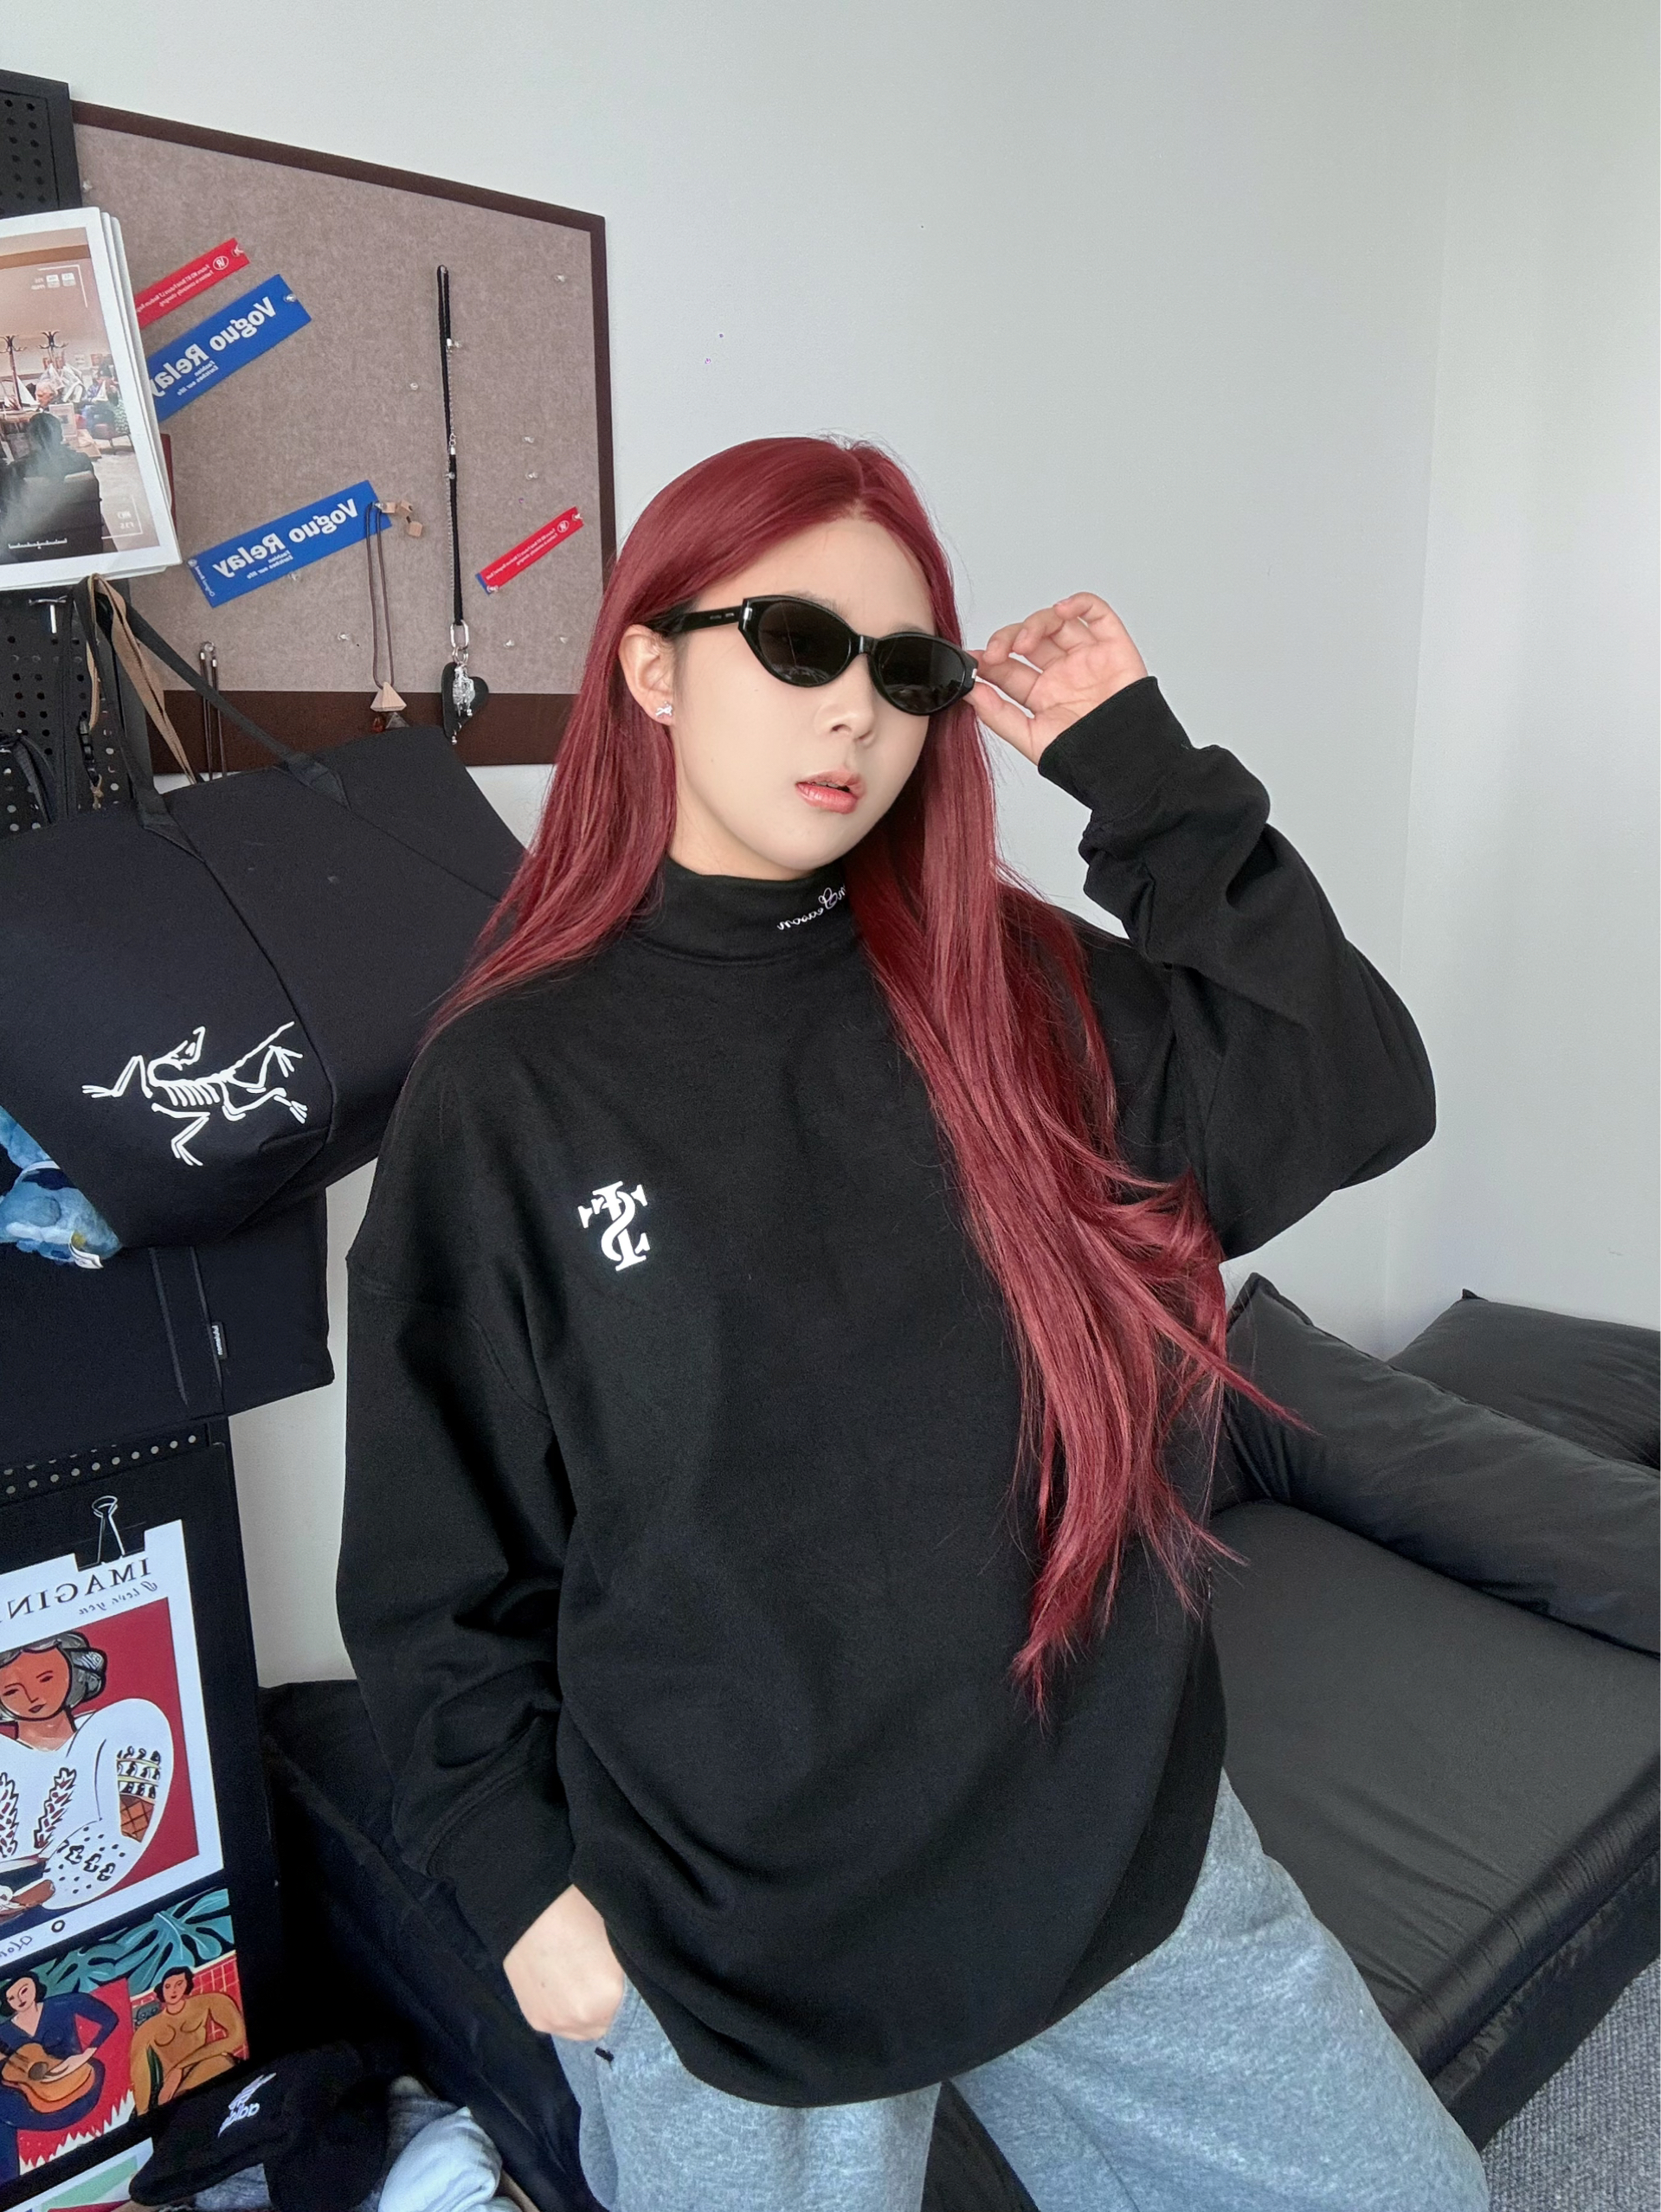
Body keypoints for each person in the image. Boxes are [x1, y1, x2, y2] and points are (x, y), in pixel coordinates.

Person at [339, 436, 1488, 2212]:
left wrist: (1142, 775)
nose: (853, 712)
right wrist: (520, 1891)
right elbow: (438, 1559)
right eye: (796, 643)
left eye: (905, 670)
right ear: (649, 666)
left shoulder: (1016, 993)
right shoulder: (513, 1086)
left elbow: (1348, 1087)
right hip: (732, 1936)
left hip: (1104, 1847)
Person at [0, 1630, 172, 1933]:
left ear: (75, 1670)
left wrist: (42, 1890)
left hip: (89, 1905)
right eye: (12, 1691)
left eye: (46, 1679)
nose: (32, 1697)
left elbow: (129, 1831)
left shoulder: (128, 1727)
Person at [0, 1968, 118, 2182]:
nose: (20, 2000)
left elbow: (109, 2018)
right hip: (33, 2104)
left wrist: (84, 2056)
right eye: (12, 1998)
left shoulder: (61, 2005)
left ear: (35, 1985)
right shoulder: (4, 2032)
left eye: (23, 1990)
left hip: (78, 2087)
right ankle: (10, 2187)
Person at [129, 1964, 248, 2113]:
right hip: (169, 2092)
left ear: (187, 1985)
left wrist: (180, 2067)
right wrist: (144, 2114)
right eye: (168, 1986)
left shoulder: (206, 2003)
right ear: (161, 1990)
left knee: (222, 2061)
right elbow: (139, 2074)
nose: (173, 1991)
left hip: (201, 2073)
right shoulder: (148, 2029)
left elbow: (237, 2036)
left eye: (179, 1984)